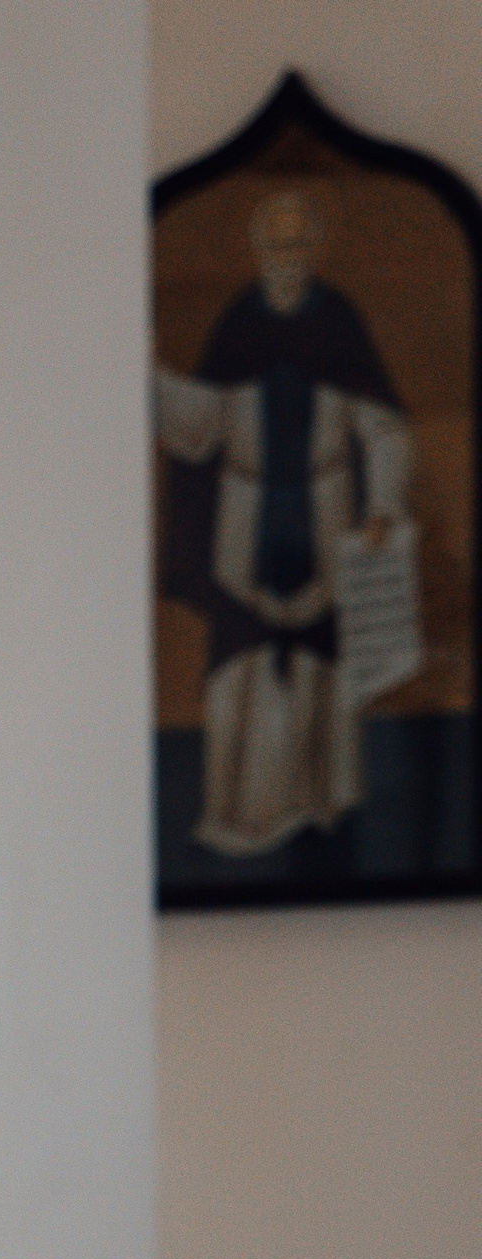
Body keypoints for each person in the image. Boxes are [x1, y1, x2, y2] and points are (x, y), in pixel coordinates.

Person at [155, 183, 416, 859]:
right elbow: (200, 425)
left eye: (299, 241)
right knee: (242, 679)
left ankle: (324, 812)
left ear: (315, 246)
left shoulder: (340, 322)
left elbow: (382, 423)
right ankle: (242, 821)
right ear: (258, 247)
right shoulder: (239, 321)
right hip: (245, 540)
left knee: (322, 678)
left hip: (325, 535)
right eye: (277, 241)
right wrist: (148, 376)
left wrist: (383, 503)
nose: (288, 253)